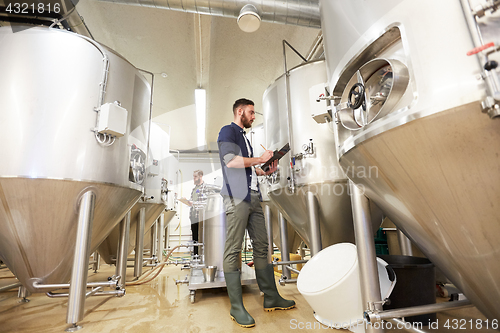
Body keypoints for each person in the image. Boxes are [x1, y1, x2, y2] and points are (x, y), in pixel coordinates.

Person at [217, 98, 295, 328]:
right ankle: (236, 307)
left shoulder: (246, 139)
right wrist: (259, 158)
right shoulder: (228, 131)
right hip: (236, 197)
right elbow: (230, 162)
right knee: (234, 248)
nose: (253, 116)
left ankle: (271, 296)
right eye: (251, 112)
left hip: (254, 197)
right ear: (239, 111)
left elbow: (249, 167)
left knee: (262, 246)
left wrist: (264, 169)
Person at [188, 170, 205, 256]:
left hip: (201, 217)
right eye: (193, 176)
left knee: (201, 237)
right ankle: (195, 255)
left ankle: (202, 255)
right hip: (193, 215)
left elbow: (204, 202)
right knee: (194, 237)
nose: (194, 178)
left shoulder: (204, 188)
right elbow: (192, 200)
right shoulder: (194, 189)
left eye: (195, 177)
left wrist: (193, 203)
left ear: (200, 176)